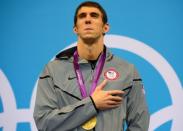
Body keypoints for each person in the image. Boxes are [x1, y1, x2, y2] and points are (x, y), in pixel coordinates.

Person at [33, 1, 150, 131]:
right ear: (75, 29)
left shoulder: (128, 71)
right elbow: (43, 122)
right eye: (82, 16)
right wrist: (92, 104)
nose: (88, 19)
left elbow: (140, 125)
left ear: (105, 27)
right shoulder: (52, 70)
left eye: (94, 15)